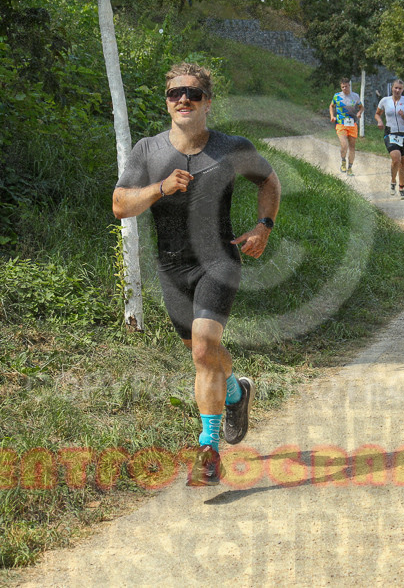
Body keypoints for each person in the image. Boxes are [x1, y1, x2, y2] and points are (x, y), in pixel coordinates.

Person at [112, 63, 282, 487]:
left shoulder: (231, 147)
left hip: (218, 260)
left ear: (207, 102)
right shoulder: (148, 151)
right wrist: (160, 188)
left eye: (192, 93)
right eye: (175, 93)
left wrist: (264, 226)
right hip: (172, 268)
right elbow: (120, 204)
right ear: (167, 102)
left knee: (205, 348)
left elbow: (269, 181)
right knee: (203, 354)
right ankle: (236, 392)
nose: (183, 99)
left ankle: (208, 451)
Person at [375, 79, 404, 199]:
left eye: (400, 88)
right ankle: (393, 181)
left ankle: (401, 187)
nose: (397, 90)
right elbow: (377, 114)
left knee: (403, 161)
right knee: (396, 158)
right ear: (392, 88)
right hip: (390, 132)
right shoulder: (385, 100)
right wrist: (380, 121)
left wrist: (403, 116)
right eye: (395, 88)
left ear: (403, 90)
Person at [329, 77, 364, 176]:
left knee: (352, 147)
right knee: (344, 145)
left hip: (352, 124)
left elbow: (361, 107)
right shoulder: (337, 96)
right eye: (342, 87)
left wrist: (359, 112)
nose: (344, 88)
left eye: (346, 86)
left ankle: (350, 168)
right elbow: (331, 106)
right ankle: (343, 161)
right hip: (341, 124)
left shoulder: (355, 96)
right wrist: (332, 116)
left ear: (349, 86)